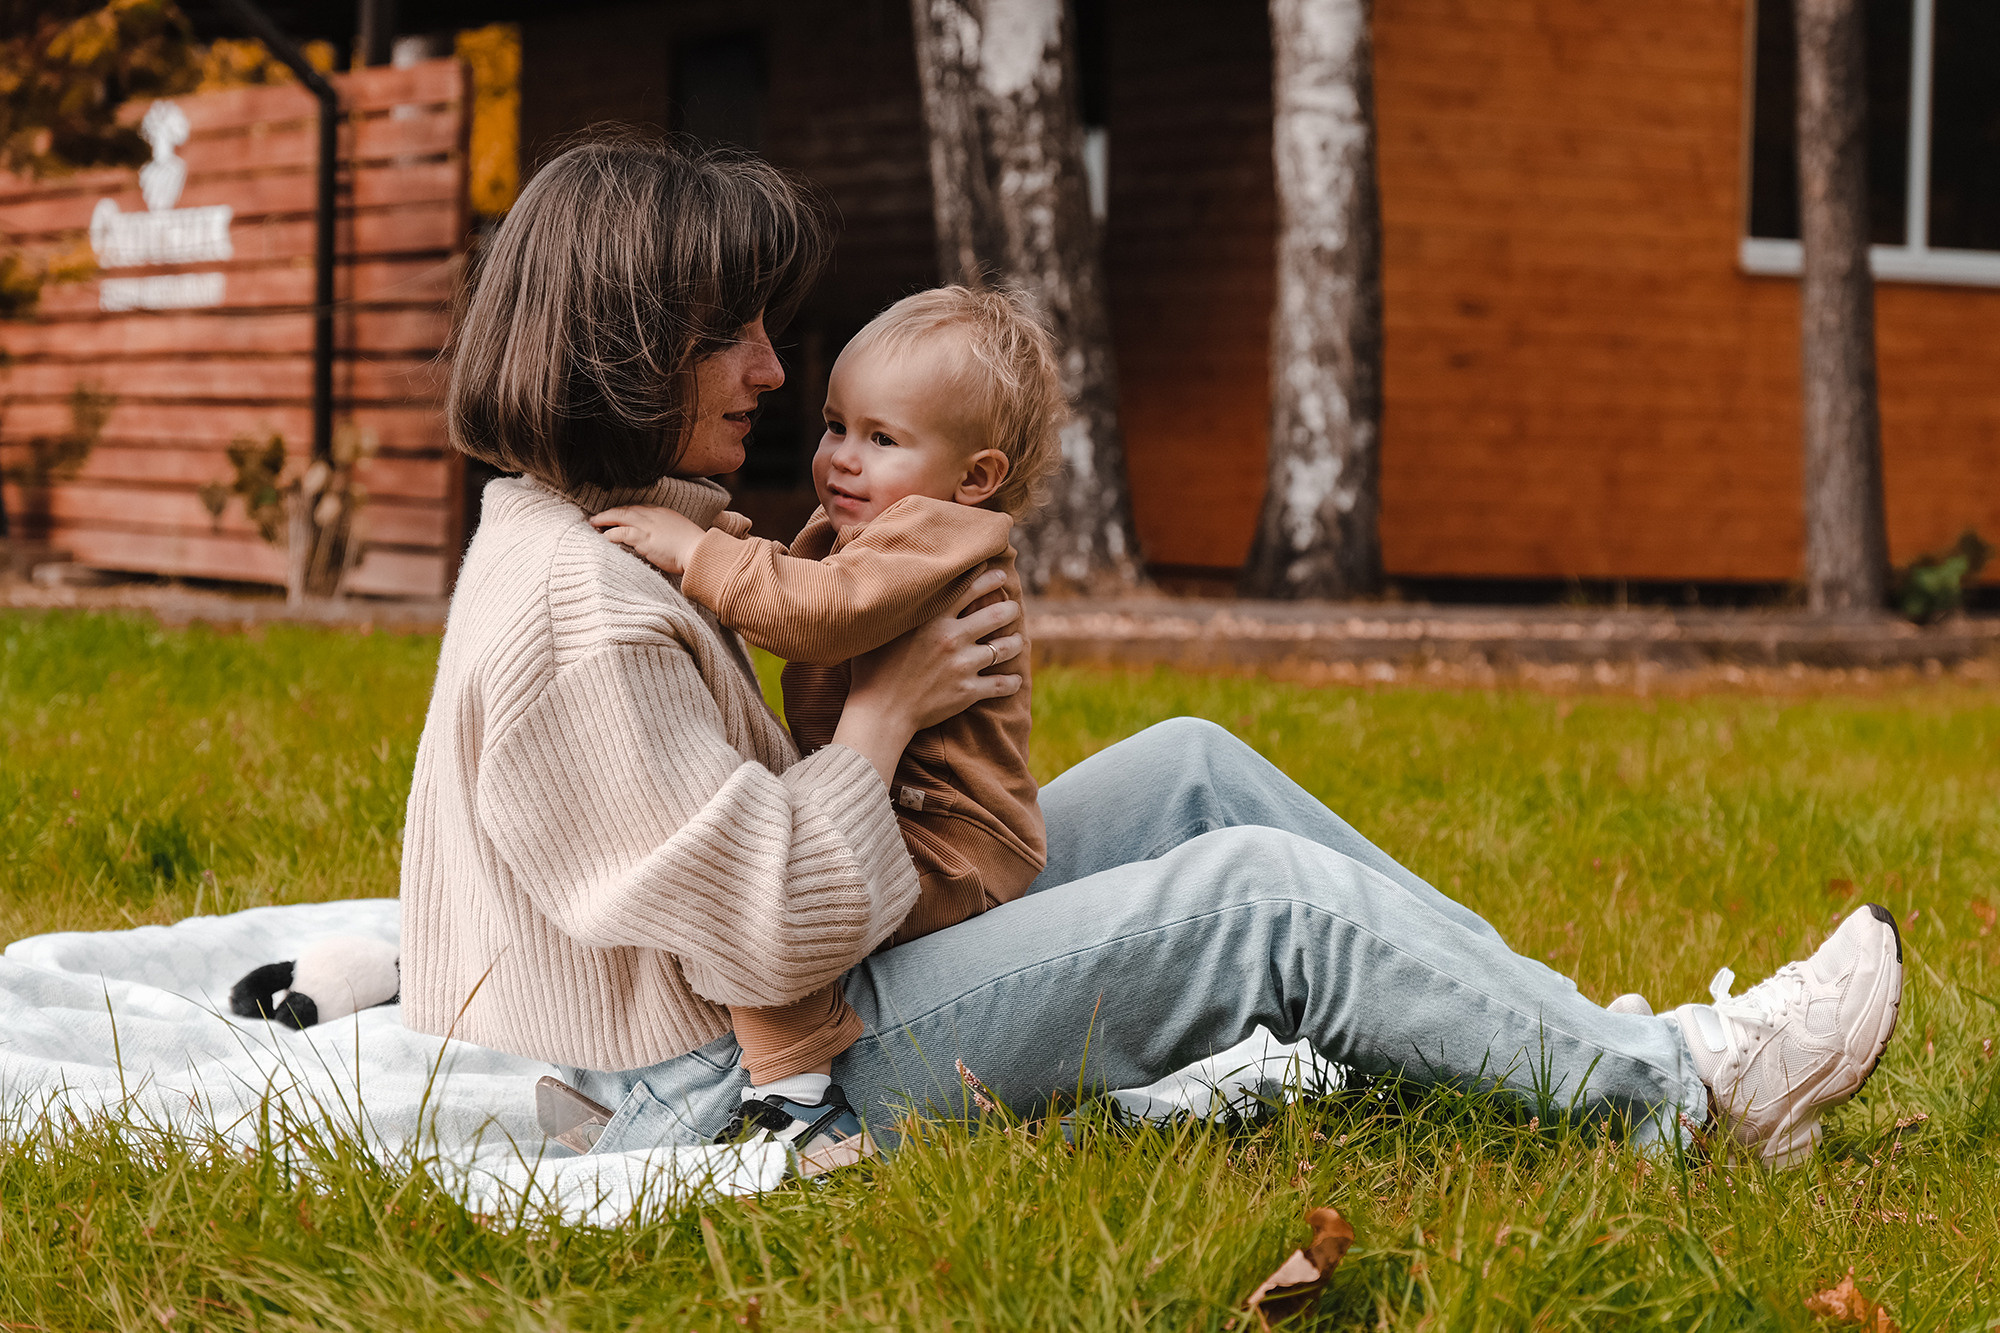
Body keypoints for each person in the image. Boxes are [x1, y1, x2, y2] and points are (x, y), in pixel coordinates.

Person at [400, 136, 1903, 1183]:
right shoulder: (576, 609)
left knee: (1193, 766)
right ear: (624, 343)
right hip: (726, 1089)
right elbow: (772, 937)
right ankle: (1688, 1095)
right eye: (735, 335)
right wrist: (886, 720)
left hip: (760, 1012)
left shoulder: (580, 540)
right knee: (1259, 906)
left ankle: (1590, 1039)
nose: (778, 374)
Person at [584, 286, 1063, 1167]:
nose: (842, 457)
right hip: (908, 808)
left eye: (882, 439)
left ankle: (797, 1100)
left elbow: (824, 613)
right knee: (756, 869)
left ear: (976, 477)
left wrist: (697, 554)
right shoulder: (885, 525)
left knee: (777, 904)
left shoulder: (938, 534)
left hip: (949, 837)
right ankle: (686, 1078)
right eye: (836, 425)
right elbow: (802, 578)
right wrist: (716, 534)